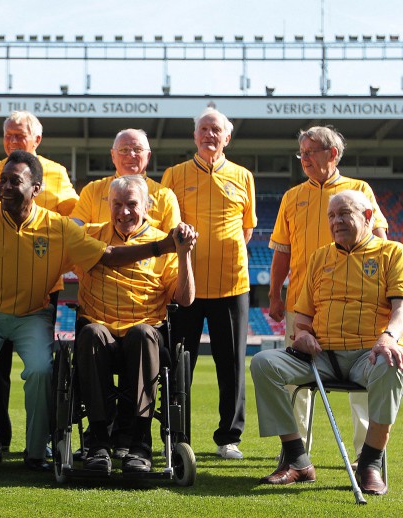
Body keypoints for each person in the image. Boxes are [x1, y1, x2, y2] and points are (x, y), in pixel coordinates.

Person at [0, 150, 192, 471]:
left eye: (15, 181)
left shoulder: (60, 228)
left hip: (34, 313)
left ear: (36, 188)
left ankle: (40, 452)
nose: (6, 187)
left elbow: (107, 255)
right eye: (3, 181)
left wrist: (166, 246)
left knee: (40, 370)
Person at [251, 190, 403, 496]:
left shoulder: (393, 253)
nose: (336, 221)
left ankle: (369, 464)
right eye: (331, 216)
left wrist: (389, 337)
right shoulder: (319, 257)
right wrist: (302, 335)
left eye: (344, 214)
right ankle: (297, 459)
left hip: (370, 355)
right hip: (322, 356)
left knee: (391, 364)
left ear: (367, 217)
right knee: (263, 363)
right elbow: (302, 317)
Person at [268, 125, 389, 460]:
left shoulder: (359, 189)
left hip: (359, 302)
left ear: (332, 154)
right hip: (304, 304)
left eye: (310, 152)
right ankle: (295, 451)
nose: (304, 159)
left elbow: (380, 239)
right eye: (301, 153)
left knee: (364, 382)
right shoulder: (292, 196)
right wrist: (275, 294)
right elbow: (282, 250)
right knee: (296, 379)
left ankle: (366, 453)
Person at [74, 175, 195, 473]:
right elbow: (108, 256)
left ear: (147, 205)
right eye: (118, 204)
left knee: (143, 333)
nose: (124, 212)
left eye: (132, 204)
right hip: (100, 332)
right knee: (90, 333)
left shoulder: (165, 243)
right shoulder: (90, 236)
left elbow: (186, 299)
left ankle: (140, 441)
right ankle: (98, 440)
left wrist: (184, 255)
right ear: (108, 205)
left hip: (143, 334)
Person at [0, 110, 79, 452]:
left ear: (37, 139)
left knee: (39, 369)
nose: (12, 142)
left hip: (40, 288)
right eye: (8, 135)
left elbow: (72, 217)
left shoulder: (56, 173)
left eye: (19, 135)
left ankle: (41, 442)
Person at [161, 107, 256, 459]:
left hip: (232, 285)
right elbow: (166, 226)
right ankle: (176, 435)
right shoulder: (175, 174)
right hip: (185, 286)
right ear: (195, 137)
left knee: (230, 364)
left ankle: (228, 438)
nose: (209, 135)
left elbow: (246, 229)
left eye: (216, 130)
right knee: (178, 362)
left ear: (227, 138)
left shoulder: (244, 176)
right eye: (203, 129)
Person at [71, 129, 180, 233]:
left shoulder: (165, 196)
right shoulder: (93, 190)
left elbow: (173, 240)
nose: (131, 155)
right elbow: (75, 227)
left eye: (138, 150)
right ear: (113, 155)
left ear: (148, 156)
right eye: (124, 150)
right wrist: (107, 231)